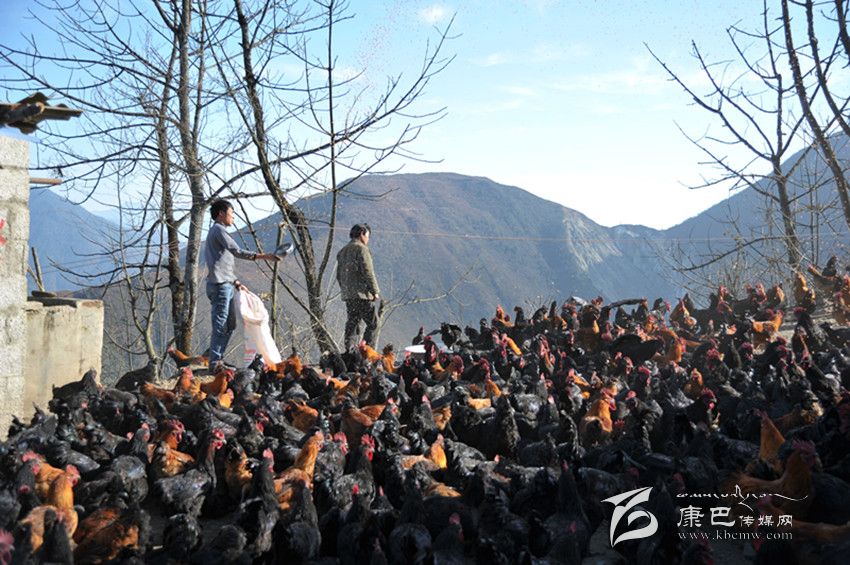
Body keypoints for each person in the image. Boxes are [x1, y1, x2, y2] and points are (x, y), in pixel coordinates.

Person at [205, 199, 279, 367]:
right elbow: (237, 251)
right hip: (220, 286)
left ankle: (218, 360)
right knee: (221, 324)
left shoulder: (217, 231)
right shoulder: (218, 230)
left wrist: (236, 282)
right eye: (231, 213)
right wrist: (265, 256)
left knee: (229, 325)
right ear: (221, 214)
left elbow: (220, 263)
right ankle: (215, 362)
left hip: (225, 283)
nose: (233, 217)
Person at [337, 223, 380, 350]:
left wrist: (346, 290)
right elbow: (368, 272)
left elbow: (339, 275)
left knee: (353, 323)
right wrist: (375, 291)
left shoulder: (342, 251)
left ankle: (350, 351)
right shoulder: (361, 249)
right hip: (362, 295)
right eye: (367, 236)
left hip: (349, 295)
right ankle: (366, 352)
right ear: (362, 234)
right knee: (373, 324)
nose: (368, 239)